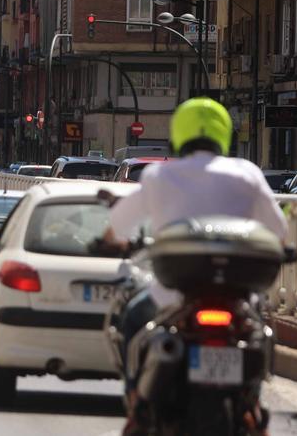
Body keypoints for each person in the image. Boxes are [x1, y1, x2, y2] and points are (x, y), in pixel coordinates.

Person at [97, 97, 287, 430]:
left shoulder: (160, 175)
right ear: (224, 134)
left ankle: (136, 402)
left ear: (179, 134)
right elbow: (280, 233)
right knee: (261, 332)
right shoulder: (247, 173)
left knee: (131, 320)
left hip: (173, 297)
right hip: (238, 298)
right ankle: (252, 401)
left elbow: (119, 225)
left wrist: (109, 240)